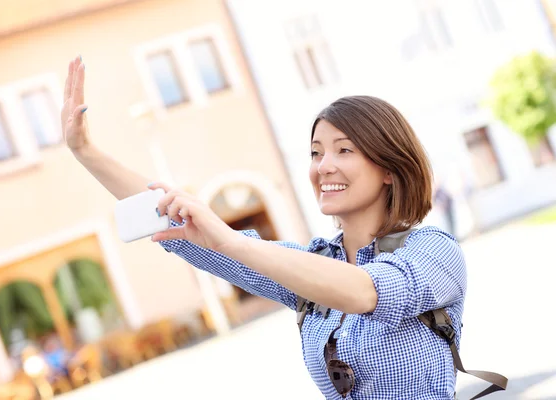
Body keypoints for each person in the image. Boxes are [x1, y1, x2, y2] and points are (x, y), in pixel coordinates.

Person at [62, 56, 466, 399]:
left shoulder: (433, 251)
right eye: (315, 152)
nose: (323, 166)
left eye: (344, 150)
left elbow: (366, 291)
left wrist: (234, 242)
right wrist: (85, 153)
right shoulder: (309, 265)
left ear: (389, 170)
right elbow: (170, 211)